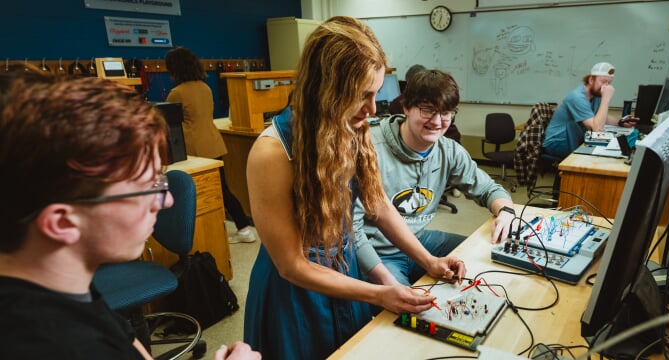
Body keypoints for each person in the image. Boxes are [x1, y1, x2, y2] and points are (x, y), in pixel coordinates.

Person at [243, 16, 466, 359]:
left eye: (375, 93)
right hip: (296, 296)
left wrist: (428, 260)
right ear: (327, 89)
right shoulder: (272, 152)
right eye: (362, 95)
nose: (373, 108)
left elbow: (378, 206)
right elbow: (290, 264)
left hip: (344, 272)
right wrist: (377, 294)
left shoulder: (351, 129)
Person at [0, 74, 259, 360]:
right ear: (62, 222)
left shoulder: (65, 286)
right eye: (147, 188)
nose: (167, 200)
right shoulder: (59, 344)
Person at [354, 69, 515, 287]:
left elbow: (488, 188)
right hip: (380, 252)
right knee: (406, 310)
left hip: (420, 239)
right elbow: (350, 229)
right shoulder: (370, 147)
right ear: (406, 107)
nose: (438, 122)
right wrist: (389, 284)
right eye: (428, 110)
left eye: (446, 112)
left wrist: (506, 212)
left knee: (487, 255)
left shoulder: (449, 151)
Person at [164, 46, 255, 244]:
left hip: (194, 149)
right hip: (213, 144)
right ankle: (243, 227)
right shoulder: (205, 87)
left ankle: (206, 234)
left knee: (196, 196)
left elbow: (168, 123)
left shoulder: (176, 93)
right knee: (223, 190)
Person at [541, 62, 638, 162]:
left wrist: (620, 122)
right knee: (605, 156)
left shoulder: (596, 95)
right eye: (603, 81)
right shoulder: (577, 97)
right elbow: (596, 129)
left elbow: (601, 117)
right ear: (591, 80)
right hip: (557, 142)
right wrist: (606, 99)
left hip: (575, 138)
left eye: (609, 83)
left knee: (628, 138)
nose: (606, 86)